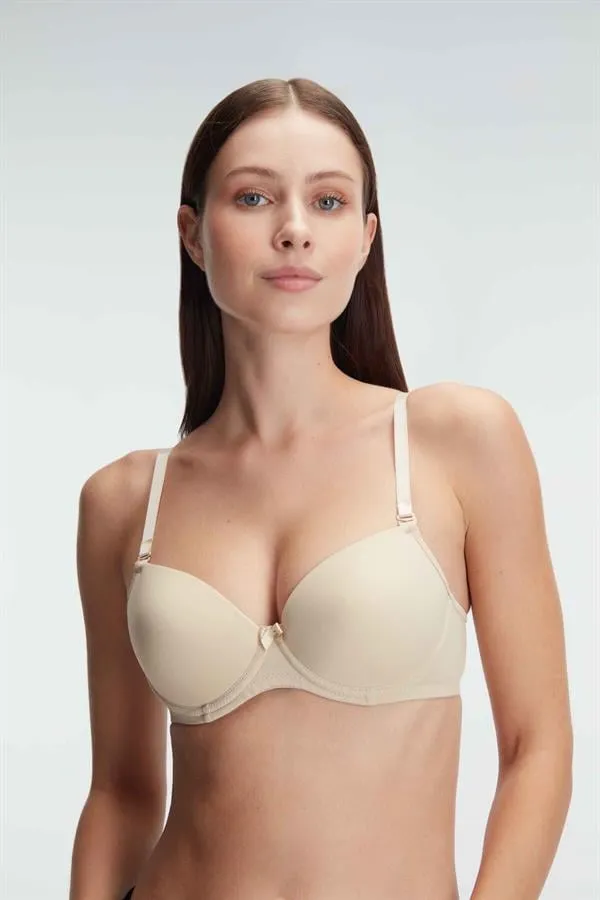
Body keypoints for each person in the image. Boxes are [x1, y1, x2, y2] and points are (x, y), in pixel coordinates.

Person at [69, 77, 573, 900]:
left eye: (329, 202)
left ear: (366, 238)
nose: (294, 229)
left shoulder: (456, 441)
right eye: (254, 197)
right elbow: (121, 794)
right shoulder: (124, 502)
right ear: (192, 234)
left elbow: (537, 749)